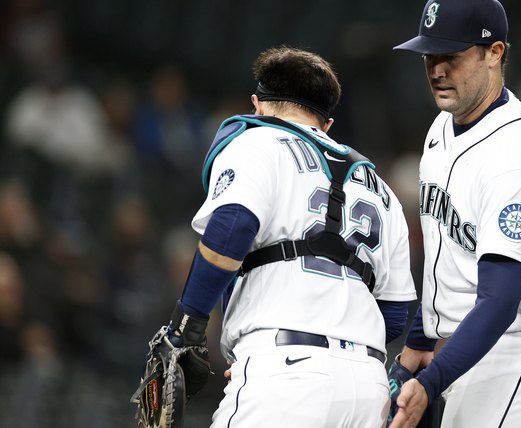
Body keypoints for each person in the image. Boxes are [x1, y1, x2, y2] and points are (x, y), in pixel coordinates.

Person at [150, 46, 417, 427]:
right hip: (367, 387)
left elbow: (233, 227)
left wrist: (186, 325)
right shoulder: (381, 189)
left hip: (284, 372)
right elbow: (393, 314)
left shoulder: (257, 141)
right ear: (326, 124)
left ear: (257, 104)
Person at [388, 1, 521, 427]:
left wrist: (430, 381)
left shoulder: (515, 160)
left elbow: (499, 302)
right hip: (473, 346)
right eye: (429, 56)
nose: (437, 70)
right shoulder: (443, 126)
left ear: (494, 53)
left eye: (451, 56)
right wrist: (420, 340)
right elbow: (447, 261)